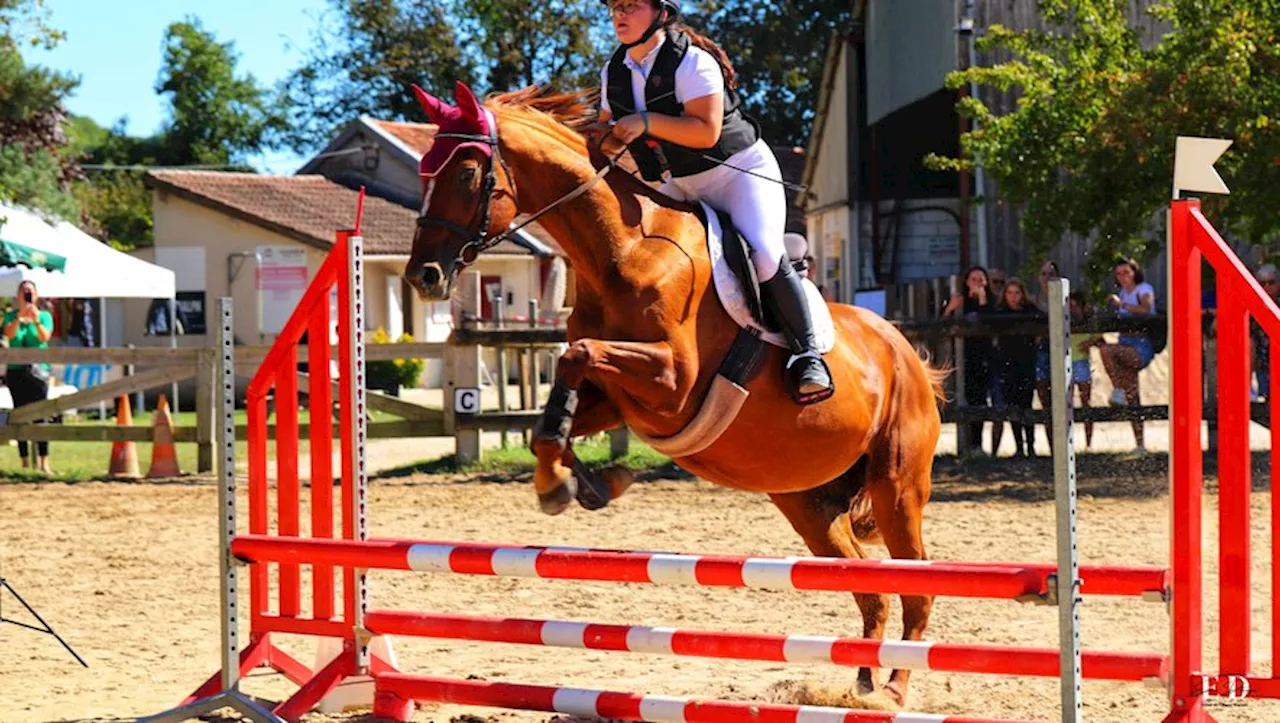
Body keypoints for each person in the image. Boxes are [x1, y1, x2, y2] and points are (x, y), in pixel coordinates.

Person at [598, 0, 831, 404]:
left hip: (737, 174)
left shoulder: (693, 62)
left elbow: (706, 132)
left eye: (631, 5)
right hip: (679, 183)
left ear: (660, 13)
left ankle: (808, 355)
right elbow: (604, 130)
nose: (620, 14)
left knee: (762, 253)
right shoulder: (613, 72)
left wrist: (646, 122)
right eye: (615, 6)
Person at [1098, 258, 1156, 454]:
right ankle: (1140, 444)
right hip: (1125, 343)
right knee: (1134, 398)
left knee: (1106, 350)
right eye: (1119, 273)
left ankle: (1117, 389)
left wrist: (1121, 304)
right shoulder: (1123, 292)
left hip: (1139, 346)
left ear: (1134, 272)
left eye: (1126, 272)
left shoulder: (1143, 289)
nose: (1123, 277)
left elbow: (1146, 309)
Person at [942, 266, 996, 456]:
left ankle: (977, 444)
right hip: (962, 358)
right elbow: (943, 323)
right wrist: (950, 308)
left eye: (981, 280)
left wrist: (982, 299)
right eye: (973, 279)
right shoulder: (960, 303)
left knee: (980, 401)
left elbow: (989, 322)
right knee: (963, 399)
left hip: (984, 358)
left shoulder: (991, 302)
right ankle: (963, 445)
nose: (977, 283)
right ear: (966, 282)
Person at [3, 280, 54, 473]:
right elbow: (8, 335)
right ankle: (24, 462)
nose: (27, 295)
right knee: (20, 415)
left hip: (38, 371)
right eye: (23, 292)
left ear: (37, 295)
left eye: (30, 292)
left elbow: (44, 338)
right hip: (17, 371)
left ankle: (44, 462)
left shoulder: (45, 316)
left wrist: (36, 319)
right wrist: (19, 318)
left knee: (41, 415)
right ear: (17, 296)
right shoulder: (10, 316)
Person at [992, 279, 1044, 457]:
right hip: (1006, 364)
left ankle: (1031, 445)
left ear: (1022, 294)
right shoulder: (1000, 313)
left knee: (1027, 404)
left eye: (1017, 293)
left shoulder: (1030, 311)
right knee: (1012, 405)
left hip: (1026, 362)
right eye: (1010, 293)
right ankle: (1019, 446)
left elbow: (1043, 321)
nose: (1013, 297)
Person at [1068, 291, 1105, 449]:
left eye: (1075, 304)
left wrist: (1088, 343)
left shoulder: (1088, 321)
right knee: (1066, 405)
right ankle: (1068, 443)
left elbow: (1099, 337)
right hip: (1065, 361)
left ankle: (1088, 443)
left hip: (1081, 361)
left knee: (1085, 403)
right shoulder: (1064, 319)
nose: (1072, 307)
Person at [1252, 263, 1279, 399]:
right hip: (1262, 362)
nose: (1267, 287)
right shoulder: (1252, 304)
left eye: (1271, 282)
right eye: (1262, 283)